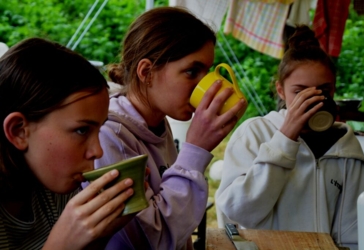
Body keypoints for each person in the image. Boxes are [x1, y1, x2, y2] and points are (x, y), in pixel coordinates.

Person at [91, 6, 246, 250]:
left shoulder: (157, 122)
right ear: (146, 72)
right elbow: (150, 240)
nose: (204, 86)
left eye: (206, 72)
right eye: (192, 71)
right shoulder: (110, 135)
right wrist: (196, 150)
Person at [216, 25, 364, 250]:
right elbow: (241, 213)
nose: (312, 101)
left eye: (323, 91)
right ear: (280, 90)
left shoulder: (345, 147)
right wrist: (285, 139)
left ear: (333, 91)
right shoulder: (255, 134)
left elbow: (354, 231)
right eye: (300, 92)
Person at [0, 37, 136, 249]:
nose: (98, 151)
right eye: (82, 130)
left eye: (98, 130)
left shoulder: (52, 185)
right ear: (18, 131)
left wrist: (100, 233)